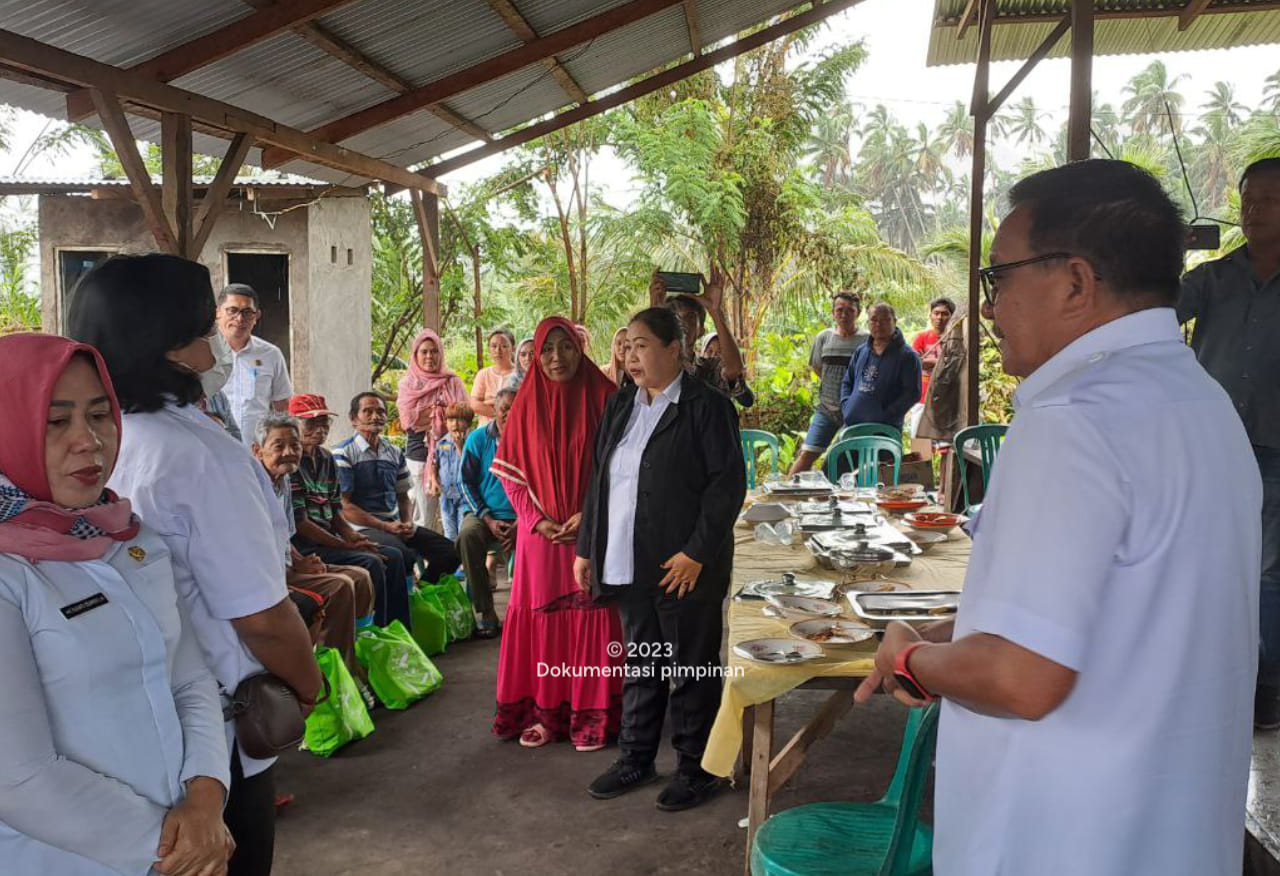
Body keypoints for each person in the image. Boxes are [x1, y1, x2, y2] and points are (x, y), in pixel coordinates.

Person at [856, 159, 1261, 876]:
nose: (988, 307)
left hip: (1061, 838)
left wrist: (909, 657)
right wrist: (944, 633)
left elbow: (1024, 676)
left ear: (1074, 282)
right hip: (1175, 834)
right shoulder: (1203, 405)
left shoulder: (1073, 418)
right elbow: (1108, 614)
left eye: (999, 278)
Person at [68, 254, 322, 876]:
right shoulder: (201, 457)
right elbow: (260, 615)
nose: (217, 335)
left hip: (117, 730)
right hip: (216, 739)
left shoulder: (96, 444)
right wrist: (310, 687)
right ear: (169, 344)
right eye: (203, 323)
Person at [0, 334, 233, 876]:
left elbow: (191, 680)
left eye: (100, 415)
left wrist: (205, 797)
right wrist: (171, 852)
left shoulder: (130, 540)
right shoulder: (10, 575)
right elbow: (18, 776)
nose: (89, 441)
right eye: (56, 421)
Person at [575, 307, 746, 812]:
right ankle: (636, 758)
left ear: (676, 349)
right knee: (642, 662)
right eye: (627, 345)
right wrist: (588, 547)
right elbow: (600, 480)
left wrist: (697, 553)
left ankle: (698, 769)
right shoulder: (621, 405)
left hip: (684, 567)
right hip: (628, 558)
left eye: (644, 345)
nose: (631, 355)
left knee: (692, 668)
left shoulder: (707, 406)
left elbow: (727, 485)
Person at [1178, 156, 1280, 728]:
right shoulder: (1211, 279)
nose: (1255, 208)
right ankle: (1207, 672)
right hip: (1212, 447)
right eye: (1249, 198)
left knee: (1266, 569)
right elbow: (1152, 309)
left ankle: (1263, 685)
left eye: (1270, 198)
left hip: (1275, 447)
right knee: (1204, 559)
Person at [490, 317, 624, 751]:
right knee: (542, 618)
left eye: (566, 347)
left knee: (593, 615)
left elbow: (622, 469)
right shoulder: (526, 402)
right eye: (548, 349)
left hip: (594, 532)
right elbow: (510, 475)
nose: (556, 357)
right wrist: (535, 519)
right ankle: (544, 714)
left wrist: (590, 513)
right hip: (540, 538)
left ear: (580, 349)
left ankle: (593, 716)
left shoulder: (606, 398)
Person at [252, 411, 375, 686]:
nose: (289, 452)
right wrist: (296, 566)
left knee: (361, 577)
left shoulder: (283, 481)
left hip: (287, 565)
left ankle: (355, 658)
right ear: (257, 451)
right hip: (267, 576)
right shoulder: (252, 487)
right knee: (340, 586)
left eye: (294, 445)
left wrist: (300, 561)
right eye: (279, 446)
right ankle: (337, 675)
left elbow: (285, 535)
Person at [288, 394, 412, 629]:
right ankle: (373, 633)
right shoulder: (292, 463)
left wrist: (353, 537)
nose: (320, 429)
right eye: (311, 423)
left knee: (393, 556)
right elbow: (301, 523)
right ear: (294, 425)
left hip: (331, 540)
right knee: (373, 563)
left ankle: (397, 632)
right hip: (306, 546)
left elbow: (336, 511)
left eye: (324, 422)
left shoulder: (326, 458)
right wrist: (345, 545)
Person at [334, 392, 461, 585]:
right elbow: (345, 506)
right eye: (367, 412)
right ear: (353, 419)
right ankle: (404, 604)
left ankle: (422, 592)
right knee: (403, 556)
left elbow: (403, 497)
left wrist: (408, 523)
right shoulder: (343, 453)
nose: (375, 416)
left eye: (380, 412)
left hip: (394, 525)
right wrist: (386, 527)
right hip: (362, 527)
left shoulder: (393, 452)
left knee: (451, 552)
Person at [459, 387, 517, 638]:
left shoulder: (532, 438)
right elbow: (466, 482)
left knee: (538, 539)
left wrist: (524, 521)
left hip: (522, 516)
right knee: (468, 535)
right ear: (495, 410)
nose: (510, 414)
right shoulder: (478, 439)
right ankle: (486, 611)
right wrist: (488, 519)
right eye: (505, 409)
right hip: (486, 514)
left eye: (516, 409)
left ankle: (525, 613)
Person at [790, 291, 869, 474]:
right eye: (839, 310)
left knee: (844, 460)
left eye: (850, 310)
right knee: (806, 454)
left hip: (854, 413)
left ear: (858, 312)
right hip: (826, 410)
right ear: (833, 312)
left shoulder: (867, 340)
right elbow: (818, 369)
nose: (844, 314)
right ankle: (786, 494)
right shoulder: (823, 338)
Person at [397, 329, 468, 531]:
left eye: (434, 351)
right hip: (420, 456)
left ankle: (452, 559)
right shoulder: (408, 384)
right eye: (424, 352)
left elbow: (464, 415)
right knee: (423, 518)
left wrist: (432, 415)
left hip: (452, 455)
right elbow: (409, 422)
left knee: (453, 515)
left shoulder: (452, 381)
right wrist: (443, 412)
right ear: (416, 355)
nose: (430, 356)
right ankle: (424, 560)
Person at [650, 269, 754, 407]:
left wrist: (715, 310)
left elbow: (734, 369)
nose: (683, 324)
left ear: (701, 331)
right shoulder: (654, 364)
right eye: (676, 318)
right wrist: (653, 314)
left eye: (690, 318)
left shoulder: (707, 369)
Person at [217, 283, 292, 448]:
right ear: (218, 313)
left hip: (256, 452)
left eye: (247, 312)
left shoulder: (271, 354)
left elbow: (281, 407)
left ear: (257, 316)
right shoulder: (204, 352)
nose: (239, 318)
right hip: (214, 449)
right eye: (232, 310)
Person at [839, 302, 921, 433]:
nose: (878, 324)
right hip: (852, 426)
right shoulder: (861, 351)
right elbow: (847, 382)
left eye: (885, 320)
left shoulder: (908, 356)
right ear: (868, 323)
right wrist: (846, 407)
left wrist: (887, 415)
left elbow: (912, 393)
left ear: (894, 321)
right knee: (837, 453)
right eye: (874, 320)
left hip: (885, 430)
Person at [433, 401, 474, 541]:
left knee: (463, 533)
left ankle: (463, 562)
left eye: (460, 420)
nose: (455, 424)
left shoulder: (473, 441)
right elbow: (435, 464)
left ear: (468, 422)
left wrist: (459, 446)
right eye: (450, 419)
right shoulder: (442, 442)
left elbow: (470, 467)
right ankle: (453, 562)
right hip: (446, 494)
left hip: (465, 496)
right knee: (449, 535)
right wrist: (434, 481)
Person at [471, 328, 516, 423]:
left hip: (512, 428)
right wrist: (501, 413)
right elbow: (474, 404)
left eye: (504, 346)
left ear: (513, 348)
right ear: (489, 349)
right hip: (485, 431)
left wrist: (487, 403)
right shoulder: (483, 374)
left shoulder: (521, 375)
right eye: (494, 346)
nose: (498, 350)